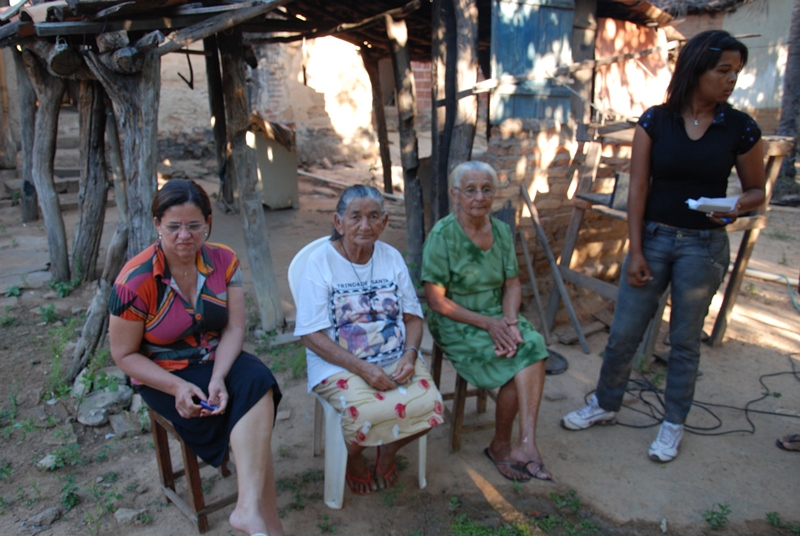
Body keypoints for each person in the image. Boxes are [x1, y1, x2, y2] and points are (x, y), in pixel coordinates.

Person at [561, 30, 766, 463]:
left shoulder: (740, 127)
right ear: (696, 70)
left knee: (685, 341)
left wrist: (733, 207)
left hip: (703, 247)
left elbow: (757, 192)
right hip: (653, 240)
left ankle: (672, 424)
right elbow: (638, 188)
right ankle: (605, 404)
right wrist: (634, 249)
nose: (731, 80)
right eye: (723, 70)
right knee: (623, 333)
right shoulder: (655, 121)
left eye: (736, 72)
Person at [108, 179, 284, 536]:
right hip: (163, 371)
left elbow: (234, 329)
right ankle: (269, 525)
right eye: (173, 227)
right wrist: (176, 387)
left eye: (193, 225)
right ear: (157, 225)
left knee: (255, 380)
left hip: (215, 356)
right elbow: (123, 354)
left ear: (208, 223)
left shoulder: (224, 259)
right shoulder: (134, 280)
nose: (184, 236)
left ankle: (249, 510)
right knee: (244, 412)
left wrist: (219, 377)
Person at [294, 185, 444, 495]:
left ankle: (388, 450)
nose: (365, 225)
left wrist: (410, 355)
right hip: (339, 364)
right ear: (339, 222)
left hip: (394, 357)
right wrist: (363, 369)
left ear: (385, 222)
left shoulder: (390, 257)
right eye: (356, 217)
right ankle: (354, 457)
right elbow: (310, 334)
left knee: (432, 406)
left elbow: (413, 317)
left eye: (373, 217)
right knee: (365, 415)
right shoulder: (319, 263)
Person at [422, 161, 552, 482]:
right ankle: (499, 445)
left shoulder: (503, 232)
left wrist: (508, 321)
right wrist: (488, 324)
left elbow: (513, 285)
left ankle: (526, 443)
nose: (479, 197)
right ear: (455, 195)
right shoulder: (442, 236)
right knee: (512, 362)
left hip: (496, 313)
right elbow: (437, 300)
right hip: (456, 320)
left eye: (486, 189)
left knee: (531, 345)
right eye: (470, 190)